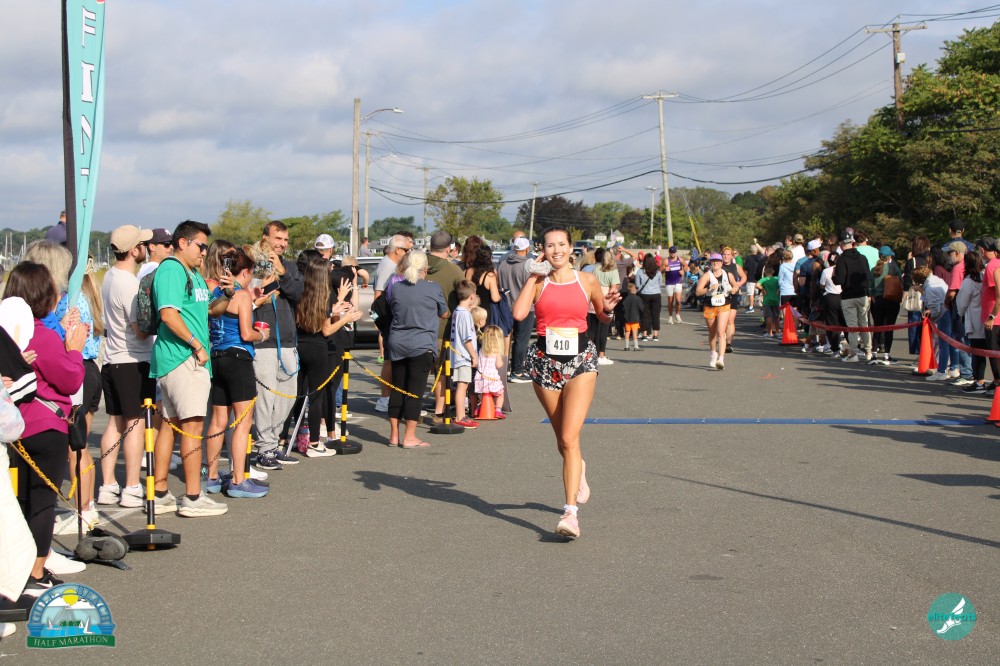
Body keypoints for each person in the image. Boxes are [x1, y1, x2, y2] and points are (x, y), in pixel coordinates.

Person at [512, 226, 621, 539]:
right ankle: (578, 466)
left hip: (580, 361)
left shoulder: (586, 280)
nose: (556, 250)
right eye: (550, 246)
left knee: (570, 436)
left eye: (561, 244)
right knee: (563, 440)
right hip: (545, 363)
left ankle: (570, 513)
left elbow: (602, 316)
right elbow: (519, 314)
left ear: (571, 248)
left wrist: (609, 311)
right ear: (542, 250)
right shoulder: (539, 282)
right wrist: (533, 275)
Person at [3, 262, 87, 594]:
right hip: (45, 426)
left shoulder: (8, 336)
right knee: (41, 503)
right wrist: (75, 351)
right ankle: (36, 572)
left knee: (19, 502)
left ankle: (17, 570)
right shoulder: (41, 335)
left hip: (15, 428)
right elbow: (70, 379)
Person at [150, 220, 233, 517]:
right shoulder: (172, 269)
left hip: (184, 358)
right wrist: (197, 345)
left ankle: (161, 493)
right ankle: (193, 497)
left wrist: (227, 295)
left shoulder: (193, 273)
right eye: (200, 246)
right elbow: (168, 314)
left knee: (170, 425)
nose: (204, 252)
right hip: (182, 358)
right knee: (192, 426)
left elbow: (209, 310)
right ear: (182, 243)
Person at [95, 226, 158, 515]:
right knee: (135, 423)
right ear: (134, 250)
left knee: (115, 422)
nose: (145, 248)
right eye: (142, 244)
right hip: (132, 359)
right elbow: (140, 329)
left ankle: (108, 485)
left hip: (113, 358)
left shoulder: (110, 276)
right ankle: (132, 485)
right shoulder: (129, 283)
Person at [205, 247, 270, 497]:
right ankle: (238, 480)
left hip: (217, 356)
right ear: (244, 272)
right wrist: (261, 335)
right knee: (243, 422)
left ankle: (212, 476)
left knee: (218, 420)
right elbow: (246, 333)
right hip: (238, 357)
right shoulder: (241, 296)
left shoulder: (215, 293)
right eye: (250, 274)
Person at [293, 253, 360, 458]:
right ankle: (314, 443)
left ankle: (295, 438)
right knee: (316, 397)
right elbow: (327, 330)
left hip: (300, 346)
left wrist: (336, 306)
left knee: (299, 395)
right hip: (318, 348)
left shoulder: (302, 293)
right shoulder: (321, 296)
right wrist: (346, 318)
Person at [251, 221, 304, 470]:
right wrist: (263, 277)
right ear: (265, 238)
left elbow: (299, 294)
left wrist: (281, 272)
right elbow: (250, 293)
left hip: (288, 341)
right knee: (265, 398)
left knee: (288, 396)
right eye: (277, 238)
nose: (282, 244)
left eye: (285, 240)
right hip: (262, 342)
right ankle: (264, 448)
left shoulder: (290, 267)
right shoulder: (251, 262)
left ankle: (273, 443)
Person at [386, 250, 447, 448]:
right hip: (421, 344)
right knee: (414, 392)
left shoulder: (396, 287)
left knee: (398, 388)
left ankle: (394, 435)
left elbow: (391, 307)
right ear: (425, 269)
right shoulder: (433, 288)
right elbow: (444, 312)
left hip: (398, 342)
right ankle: (409, 437)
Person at [425, 230, 466, 420]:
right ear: (449, 248)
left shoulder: (417, 266)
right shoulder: (454, 271)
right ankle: (440, 409)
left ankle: (409, 408)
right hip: (443, 329)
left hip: (416, 329)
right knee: (441, 372)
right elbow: (466, 298)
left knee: (416, 371)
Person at [373, 234, 413, 412]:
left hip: (393, 319)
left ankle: (392, 397)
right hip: (389, 319)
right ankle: (385, 398)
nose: (408, 253)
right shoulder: (388, 266)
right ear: (397, 250)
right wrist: (379, 321)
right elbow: (378, 295)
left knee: (394, 360)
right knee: (389, 360)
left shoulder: (391, 264)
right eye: (406, 250)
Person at [498, 236, 534, 382]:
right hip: (525, 307)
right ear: (527, 249)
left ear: (514, 248)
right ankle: (517, 371)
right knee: (521, 340)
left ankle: (503, 369)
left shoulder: (503, 264)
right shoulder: (527, 265)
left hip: (505, 306)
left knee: (505, 339)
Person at [832, 233, 872, 362]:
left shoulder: (842, 259)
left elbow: (839, 280)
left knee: (852, 326)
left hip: (848, 296)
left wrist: (833, 275)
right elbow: (868, 276)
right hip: (862, 294)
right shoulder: (862, 258)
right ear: (853, 243)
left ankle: (854, 353)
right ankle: (869, 351)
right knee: (864, 324)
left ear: (841, 244)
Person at [956, 250, 988, 394]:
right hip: (989, 319)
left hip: (975, 321)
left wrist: (960, 314)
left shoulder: (969, 281)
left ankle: (979, 381)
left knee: (977, 353)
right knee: (991, 353)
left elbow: (962, 303)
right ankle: (994, 381)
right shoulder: (986, 276)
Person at [695, 253, 733, 369]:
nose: (715, 263)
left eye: (717, 261)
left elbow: (736, 285)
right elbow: (698, 292)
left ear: (721, 263)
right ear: (710, 263)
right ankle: (713, 354)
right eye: (713, 261)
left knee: (721, 332)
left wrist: (733, 289)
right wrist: (709, 288)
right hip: (710, 306)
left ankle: (721, 359)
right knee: (712, 332)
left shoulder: (727, 274)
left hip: (724, 305)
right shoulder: (707, 276)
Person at [450, 280, 479, 429]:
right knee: (463, 386)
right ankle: (460, 416)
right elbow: (467, 339)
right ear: (472, 296)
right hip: (463, 355)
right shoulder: (465, 315)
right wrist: (474, 355)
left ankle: (460, 415)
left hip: (458, 354)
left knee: (462, 385)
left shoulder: (457, 311)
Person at [913, 266, 949, 381]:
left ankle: (941, 370)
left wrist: (933, 318)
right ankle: (946, 367)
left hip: (942, 315)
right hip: (947, 311)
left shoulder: (929, 288)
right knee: (945, 343)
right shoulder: (938, 280)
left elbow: (935, 307)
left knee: (942, 343)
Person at [869, 246, 903, 365]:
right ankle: (886, 355)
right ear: (888, 257)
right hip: (891, 300)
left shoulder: (874, 269)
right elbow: (900, 282)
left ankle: (873, 354)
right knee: (889, 328)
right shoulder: (893, 268)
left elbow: (869, 286)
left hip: (878, 301)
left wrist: (873, 297)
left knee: (877, 327)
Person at [902, 235, 931, 359]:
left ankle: (917, 351)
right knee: (927, 323)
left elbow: (907, 280)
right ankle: (927, 351)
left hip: (915, 294)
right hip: (928, 293)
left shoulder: (911, 261)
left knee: (914, 323)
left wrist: (904, 295)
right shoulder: (929, 261)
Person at [590, 248, 620, 364]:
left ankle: (591, 354)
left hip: (594, 297)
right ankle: (601, 355)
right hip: (606, 298)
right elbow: (614, 287)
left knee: (593, 328)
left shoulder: (596, 268)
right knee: (603, 328)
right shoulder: (613, 270)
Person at [475, 325, 506, 418]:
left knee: (484, 395)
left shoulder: (481, 350)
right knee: (500, 393)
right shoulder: (496, 352)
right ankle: (498, 410)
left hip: (480, 377)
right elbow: (499, 365)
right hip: (491, 378)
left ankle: (479, 408)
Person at [721, 247, 746, 352]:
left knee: (730, 320)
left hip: (733, 294)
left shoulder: (736, 266)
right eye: (724, 254)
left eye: (728, 254)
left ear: (732, 256)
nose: (726, 256)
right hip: (721, 296)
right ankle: (722, 339)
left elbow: (744, 277)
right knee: (722, 321)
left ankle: (729, 344)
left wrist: (738, 285)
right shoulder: (719, 266)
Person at [633, 254, 662, 342]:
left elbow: (637, 285)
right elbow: (660, 284)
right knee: (656, 315)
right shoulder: (658, 272)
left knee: (645, 315)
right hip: (656, 294)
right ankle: (655, 335)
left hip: (644, 294)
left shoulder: (640, 272)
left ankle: (645, 335)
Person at [663, 246, 685, 324]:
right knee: (670, 301)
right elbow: (661, 270)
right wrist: (665, 269)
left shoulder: (680, 259)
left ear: (676, 252)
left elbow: (685, 265)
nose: (672, 254)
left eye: (674, 252)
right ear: (669, 253)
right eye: (671, 253)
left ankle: (677, 314)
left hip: (678, 282)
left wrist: (683, 270)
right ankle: (670, 316)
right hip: (669, 283)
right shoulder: (666, 261)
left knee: (678, 300)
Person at [758, 266, 780, 337]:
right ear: (773, 271)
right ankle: (777, 331)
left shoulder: (764, 279)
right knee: (777, 316)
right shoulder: (776, 279)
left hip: (767, 300)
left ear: (765, 272)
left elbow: (757, 285)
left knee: (768, 316)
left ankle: (769, 332)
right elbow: (782, 284)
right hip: (776, 300)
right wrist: (778, 290)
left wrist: (762, 289)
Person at [621, 283, 644, 351]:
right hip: (635, 318)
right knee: (634, 333)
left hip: (627, 319)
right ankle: (636, 346)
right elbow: (642, 308)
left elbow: (623, 308)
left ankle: (626, 346)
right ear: (634, 290)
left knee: (627, 332)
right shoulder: (638, 298)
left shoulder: (626, 299)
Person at [743, 244, 765, 313]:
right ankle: (763, 306)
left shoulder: (749, 258)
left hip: (751, 277)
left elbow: (746, 267)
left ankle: (751, 307)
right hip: (759, 278)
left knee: (751, 293)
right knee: (760, 292)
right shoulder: (761, 258)